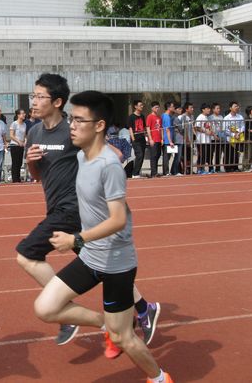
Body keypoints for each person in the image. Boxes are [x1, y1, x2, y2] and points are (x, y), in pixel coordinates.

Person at [35, 90, 173, 383]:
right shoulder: (84, 157)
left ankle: (159, 378)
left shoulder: (109, 165)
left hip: (117, 265)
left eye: (79, 120)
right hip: (91, 257)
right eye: (71, 119)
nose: (71, 125)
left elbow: (118, 219)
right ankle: (105, 325)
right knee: (46, 308)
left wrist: (76, 239)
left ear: (99, 126)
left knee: (125, 340)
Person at [16, 73, 159, 352]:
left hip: (73, 209)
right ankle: (144, 308)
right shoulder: (33, 132)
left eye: (39, 96)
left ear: (57, 102)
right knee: (100, 266)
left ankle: (67, 313)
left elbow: (113, 155)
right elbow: (37, 176)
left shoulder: (71, 130)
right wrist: (31, 163)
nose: (33, 101)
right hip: (57, 206)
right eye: (33, 96)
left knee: (26, 253)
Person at [224, 101, 245, 172]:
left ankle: (236, 167)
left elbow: (243, 126)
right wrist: (233, 134)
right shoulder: (226, 118)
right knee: (229, 153)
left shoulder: (240, 116)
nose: (237, 107)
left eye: (237, 106)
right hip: (229, 139)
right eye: (235, 106)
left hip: (238, 138)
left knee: (237, 153)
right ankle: (228, 168)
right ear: (230, 108)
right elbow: (225, 129)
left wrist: (238, 132)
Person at [127, 100, 146, 179]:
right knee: (139, 155)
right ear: (135, 106)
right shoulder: (131, 117)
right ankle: (135, 173)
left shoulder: (142, 116)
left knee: (142, 156)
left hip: (142, 139)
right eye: (140, 105)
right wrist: (133, 139)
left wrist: (145, 136)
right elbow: (130, 128)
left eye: (142, 105)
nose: (142, 106)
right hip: (136, 140)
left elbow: (144, 127)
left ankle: (137, 172)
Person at [9, 108, 27, 183]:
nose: (24, 115)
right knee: (15, 162)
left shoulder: (24, 124)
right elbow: (11, 135)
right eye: (22, 113)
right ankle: (15, 179)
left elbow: (25, 135)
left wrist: (25, 141)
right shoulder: (14, 123)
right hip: (14, 145)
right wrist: (19, 141)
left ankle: (18, 178)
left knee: (20, 162)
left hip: (21, 145)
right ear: (18, 115)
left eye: (24, 113)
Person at [195, 103, 213, 174]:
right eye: (207, 109)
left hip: (207, 140)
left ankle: (205, 169)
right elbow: (197, 127)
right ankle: (200, 169)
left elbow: (208, 127)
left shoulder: (206, 118)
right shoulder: (200, 117)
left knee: (207, 155)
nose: (209, 110)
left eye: (209, 108)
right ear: (203, 110)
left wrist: (211, 132)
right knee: (202, 155)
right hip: (201, 140)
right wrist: (205, 131)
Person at [145, 102, 162, 178]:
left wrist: (162, 139)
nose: (157, 109)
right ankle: (154, 173)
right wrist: (150, 139)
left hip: (159, 139)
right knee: (153, 156)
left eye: (158, 107)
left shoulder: (159, 117)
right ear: (152, 108)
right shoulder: (149, 117)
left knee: (158, 155)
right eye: (155, 107)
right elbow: (148, 128)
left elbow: (161, 128)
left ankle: (154, 172)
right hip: (153, 139)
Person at [178, 102, 195, 174]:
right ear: (186, 109)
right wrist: (187, 139)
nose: (192, 109)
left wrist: (194, 136)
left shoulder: (192, 117)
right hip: (184, 140)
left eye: (192, 107)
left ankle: (189, 169)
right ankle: (183, 170)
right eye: (191, 108)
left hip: (191, 140)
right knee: (183, 156)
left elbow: (192, 127)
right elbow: (183, 129)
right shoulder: (183, 117)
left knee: (189, 156)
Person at [161, 101, 176, 176]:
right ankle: (166, 172)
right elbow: (167, 129)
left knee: (168, 157)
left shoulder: (167, 116)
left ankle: (166, 171)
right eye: (173, 106)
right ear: (169, 107)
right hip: (167, 140)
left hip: (168, 139)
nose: (174, 108)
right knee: (166, 157)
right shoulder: (166, 116)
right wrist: (170, 141)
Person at [210, 103, 225, 173]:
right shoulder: (210, 117)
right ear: (213, 109)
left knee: (218, 153)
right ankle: (211, 168)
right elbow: (209, 127)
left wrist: (221, 135)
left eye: (219, 108)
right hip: (212, 138)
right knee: (211, 153)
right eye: (217, 108)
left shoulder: (221, 117)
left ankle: (218, 168)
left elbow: (222, 128)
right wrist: (214, 135)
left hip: (219, 138)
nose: (219, 110)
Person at [243, 106, 252, 172]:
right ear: (250, 111)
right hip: (248, 138)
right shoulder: (246, 119)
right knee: (248, 153)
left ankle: (251, 166)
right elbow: (247, 129)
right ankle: (245, 167)